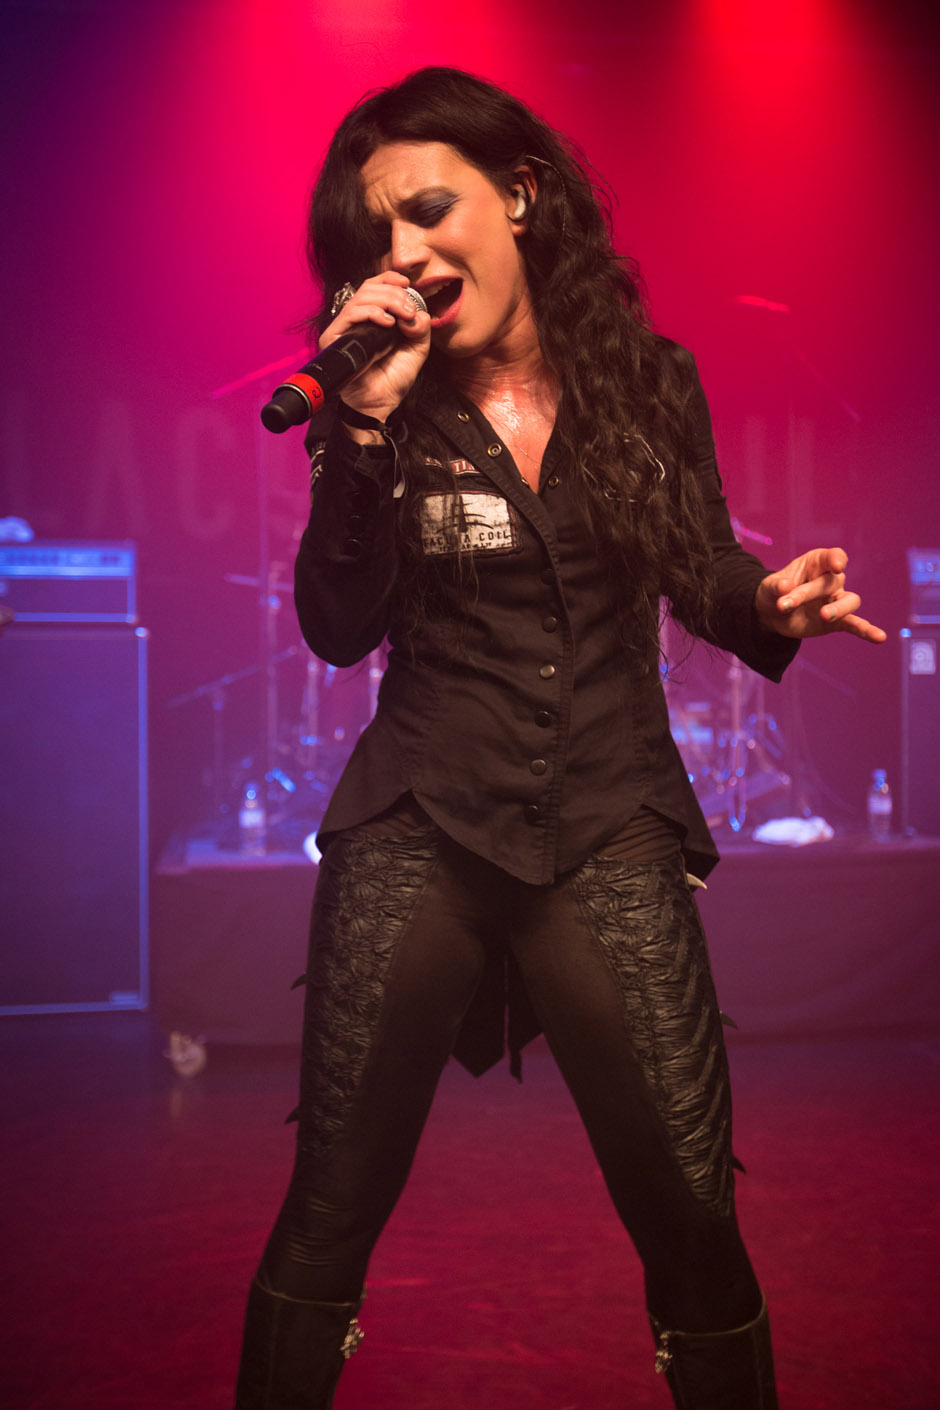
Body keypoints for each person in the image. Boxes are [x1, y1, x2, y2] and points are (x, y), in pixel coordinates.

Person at [233, 66, 885, 1410]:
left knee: (695, 1218)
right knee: (327, 1208)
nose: (406, 252)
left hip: (609, 816)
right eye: (378, 233)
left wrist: (769, 604)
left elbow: (699, 565)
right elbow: (337, 626)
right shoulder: (383, 399)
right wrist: (361, 425)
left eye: (429, 211)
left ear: (521, 195)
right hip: (420, 816)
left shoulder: (648, 379)